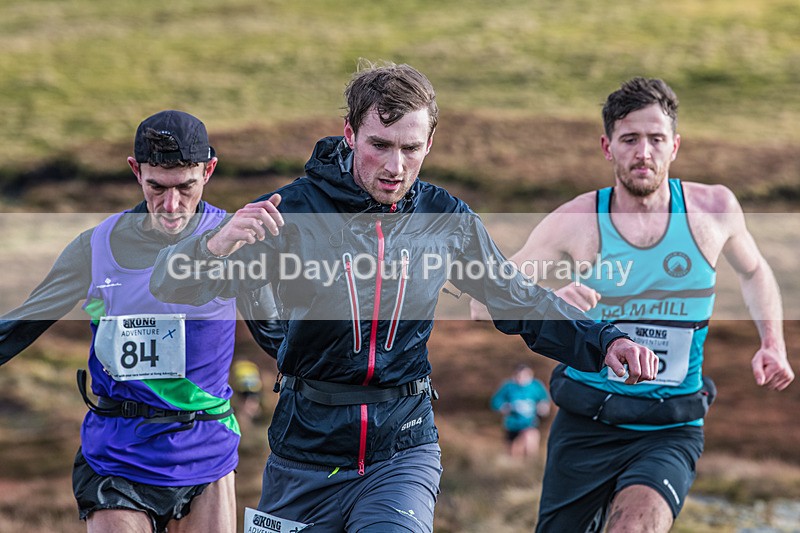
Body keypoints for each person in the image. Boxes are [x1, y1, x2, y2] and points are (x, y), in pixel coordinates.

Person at [149, 61, 659, 533]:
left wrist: (603, 341)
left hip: (403, 449)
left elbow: (514, 296)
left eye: (410, 148)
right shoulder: (287, 213)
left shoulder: (446, 219)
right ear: (349, 134)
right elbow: (170, 287)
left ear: (431, 142)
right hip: (302, 456)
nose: (395, 165)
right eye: (380, 144)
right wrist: (215, 245)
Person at [471, 77, 795, 532]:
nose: (644, 152)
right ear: (607, 147)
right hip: (586, 423)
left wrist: (772, 342)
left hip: (669, 427)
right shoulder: (576, 221)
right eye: (630, 139)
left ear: (675, 146)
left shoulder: (713, 210)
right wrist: (548, 301)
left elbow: (755, 270)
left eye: (656, 139)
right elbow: (482, 305)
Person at [0, 110, 282, 533]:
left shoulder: (236, 239)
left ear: (209, 171)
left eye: (185, 186)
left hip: (205, 453)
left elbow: (282, 341)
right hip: (117, 456)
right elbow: (18, 326)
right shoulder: (95, 248)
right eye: (157, 186)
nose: (171, 205)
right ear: (136, 171)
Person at [490, 363, 550, 459]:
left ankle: (531, 465)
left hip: (529, 423)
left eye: (526, 375)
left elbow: (545, 401)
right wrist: (507, 408)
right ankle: (516, 470)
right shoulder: (508, 386)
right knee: (512, 452)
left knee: (531, 439)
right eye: (520, 376)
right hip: (512, 424)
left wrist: (542, 408)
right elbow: (495, 403)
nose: (522, 379)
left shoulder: (536, 386)